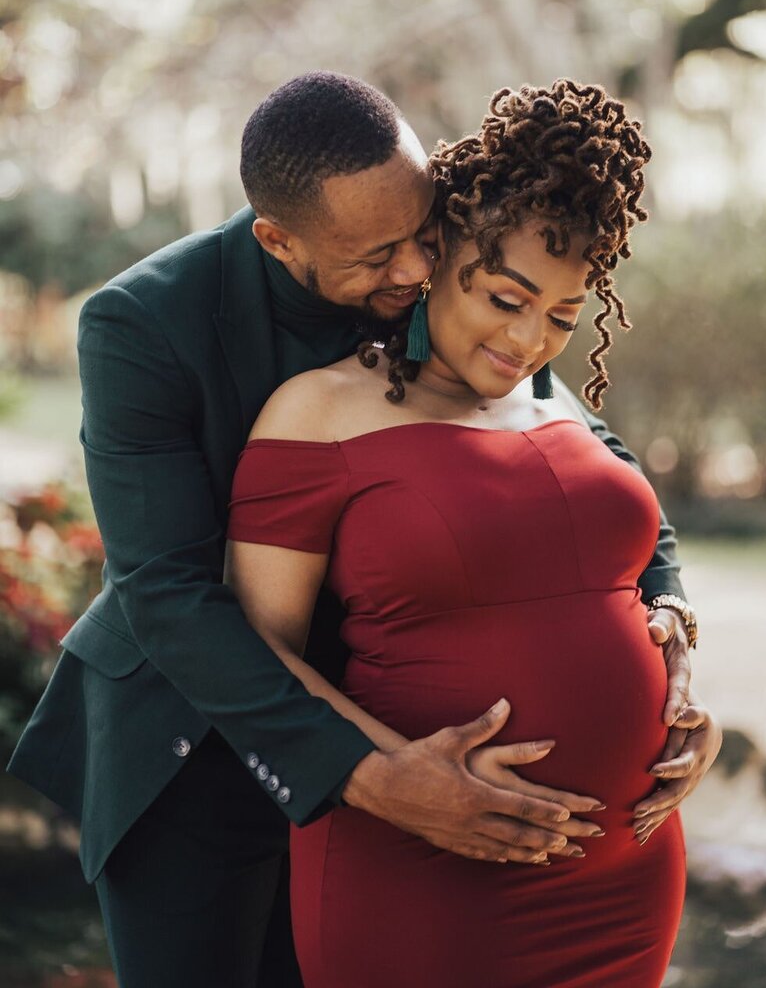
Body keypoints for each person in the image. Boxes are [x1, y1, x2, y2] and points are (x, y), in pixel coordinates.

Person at [7, 73, 716, 988]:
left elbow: (592, 458)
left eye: (425, 233)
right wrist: (379, 779)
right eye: (380, 255)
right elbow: (166, 592)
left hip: (395, 726)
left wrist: (671, 625)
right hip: (197, 744)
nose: (417, 273)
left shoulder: (446, 273)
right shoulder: (143, 322)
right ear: (279, 240)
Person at [225, 79, 719, 987]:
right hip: (423, 865)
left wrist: (680, 681)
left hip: (627, 875)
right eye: (505, 298)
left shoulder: (554, 409)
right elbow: (256, 652)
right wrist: (392, 781)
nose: (530, 340)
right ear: (438, 251)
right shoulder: (319, 412)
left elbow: (638, 575)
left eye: (564, 317)